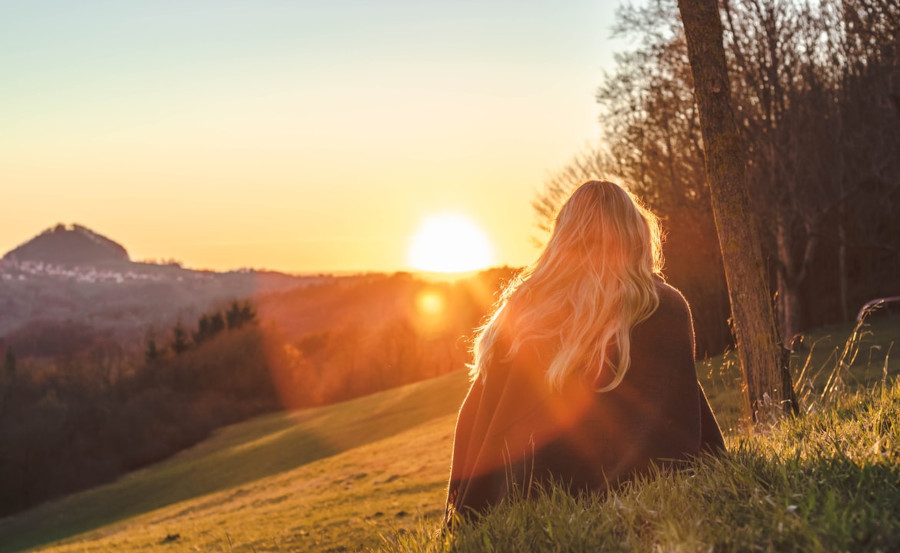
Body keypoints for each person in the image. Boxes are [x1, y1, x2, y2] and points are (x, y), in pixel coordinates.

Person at [445, 181, 725, 522]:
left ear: (562, 237)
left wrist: (462, 506)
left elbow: (473, 419)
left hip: (513, 499)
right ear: (635, 234)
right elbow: (672, 419)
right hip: (599, 497)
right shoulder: (659, 305)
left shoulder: (521, 308)